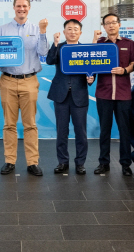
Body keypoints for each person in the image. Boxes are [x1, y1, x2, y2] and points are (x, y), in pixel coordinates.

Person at [0, 0, 49, 177]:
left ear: (29, 7)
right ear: (14, 7)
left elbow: (43, 52)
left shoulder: (36, 29)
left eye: (25, 6)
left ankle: (32, 162)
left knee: (30, 124)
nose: (21, 9)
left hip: (29, 81)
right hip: (8, 80)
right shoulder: (2, 30)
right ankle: (9, 161)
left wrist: (43, 32)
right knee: (9, 124)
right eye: (18, 6)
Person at [91, 14, 134, 176]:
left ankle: (126, 164)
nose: (111, 26)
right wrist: (90, 77)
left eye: (113, 23)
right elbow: (91, 62)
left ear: (119, 25)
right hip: (103, 93)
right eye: (107, 23)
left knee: (125, 130)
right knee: (105, 130)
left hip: (123, 94)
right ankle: (104, 163)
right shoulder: (99, 43)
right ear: (103, 26)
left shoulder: (129, 44)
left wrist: (125, 70)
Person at [46, 19, 94, 175]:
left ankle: (80, 163)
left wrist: (91, 78)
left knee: (81, 132)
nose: (72, 32)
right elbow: (49, 60)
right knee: (62, 131)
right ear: (64, 32)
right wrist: (54, 43)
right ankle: (62, 162)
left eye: (75, 29)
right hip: (61, 95)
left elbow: (92, 68)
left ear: (80, 32)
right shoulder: (59, 47)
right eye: (69, 29)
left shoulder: (85, 50)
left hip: (79, 95)